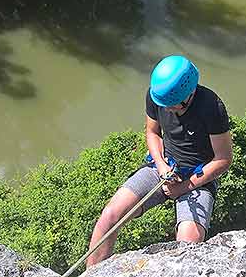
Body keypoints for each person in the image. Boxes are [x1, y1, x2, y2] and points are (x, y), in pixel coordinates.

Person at [85, 55, 233, 267]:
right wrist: (162, 165)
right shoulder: (157, 97)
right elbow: (153, 133)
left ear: (189, 93)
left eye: (174, 105)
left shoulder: (211, 107)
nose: (169, 109)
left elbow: (223, 159)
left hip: (198, 176)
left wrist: (185, 186)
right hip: (164, 167)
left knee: (188, 244)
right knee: (109, 217)